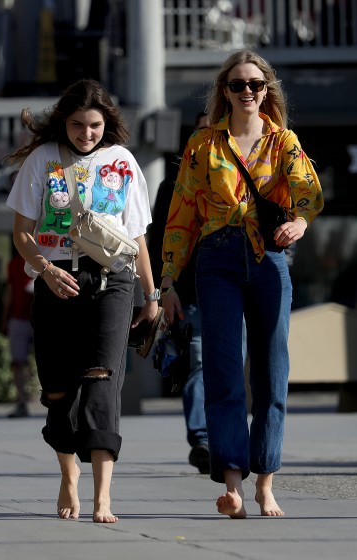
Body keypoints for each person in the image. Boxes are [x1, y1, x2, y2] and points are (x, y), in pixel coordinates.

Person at [159, 49, 324, 519]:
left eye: (255, 84)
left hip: (269, 259)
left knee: (272, 372)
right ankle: (232, 482)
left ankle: (266, 482)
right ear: (224, 92)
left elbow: (309, 192)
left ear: (267, 90)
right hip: (217, 260)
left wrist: (301, 223)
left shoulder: (282, 141)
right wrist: (168, 279)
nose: (247, 92)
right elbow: (181, 215)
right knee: (223, 370)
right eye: (238, 85)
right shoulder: (203, 144)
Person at [5, 78, 157, 523]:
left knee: (101, 379)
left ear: (106, 123)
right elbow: (21, 233)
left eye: (94, 125)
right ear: (63, 122)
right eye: (77, 125)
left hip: (113, 280)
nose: (86, 134)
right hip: (55, 277)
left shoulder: (123, 162)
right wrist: (47, 270)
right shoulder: (42, 160)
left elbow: (137, 236)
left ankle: (103, 496)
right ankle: (68, 473)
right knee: (57, 386)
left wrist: (152, 295)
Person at [149, 111, 212, 474]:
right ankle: (202, 439)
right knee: (199, 366)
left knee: (232, 365)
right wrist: (163, 290)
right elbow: (160, 241)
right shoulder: (173, 183)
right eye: (201, 130)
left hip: (237, 288)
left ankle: (227, 437)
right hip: (190, 293)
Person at [1, 248, 36, 418]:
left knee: (47, 359)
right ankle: (21, 401)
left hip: (41, 317)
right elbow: (9, 290)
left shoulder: (44, 256)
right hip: (18, 317)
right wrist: (5, 318)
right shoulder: (14, 263)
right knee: (18, 361)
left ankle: (52, 399)